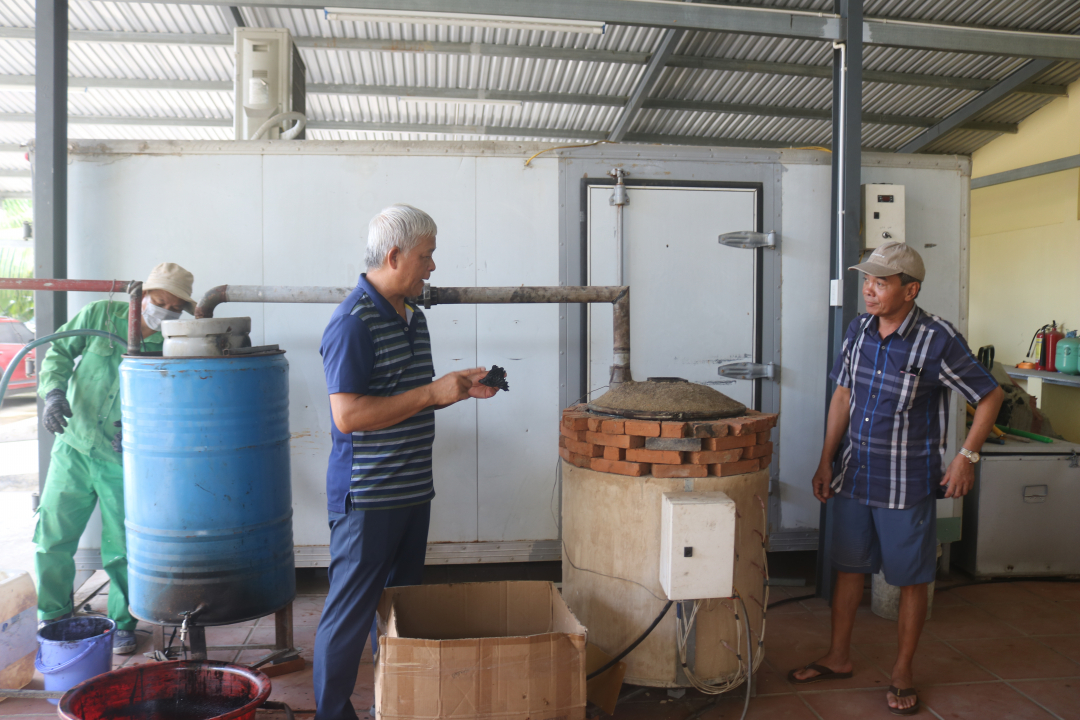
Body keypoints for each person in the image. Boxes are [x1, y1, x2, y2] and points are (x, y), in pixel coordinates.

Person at [789, 242, 1004, 715]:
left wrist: (967, 456)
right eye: (866, 279)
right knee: (847, 568)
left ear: (911, 290)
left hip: (906, 482)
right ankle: (838, 656)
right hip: (853, 474)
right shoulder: (860, 328)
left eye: (881, 282)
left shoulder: (937, 339)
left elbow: (990, 395)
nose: (868, 289)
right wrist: (826, 459)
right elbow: (843, 394)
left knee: (911, 578)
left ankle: (903, 670)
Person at [314, 205, 500, 720]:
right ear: (395, 256)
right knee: (348, 616)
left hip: (413, 492)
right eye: (427, 256)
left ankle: (391, 705)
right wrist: (432, 395)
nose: (433, 267)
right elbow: (348, 415)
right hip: (370, 499)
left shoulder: (412, 317)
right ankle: (331, 716)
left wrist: (457, 388)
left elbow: (413, 393)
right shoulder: (353, 323)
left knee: (398, 611)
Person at [34, 263, 197, 655]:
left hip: (121, 458)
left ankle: (124, 623)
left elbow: (175, 398)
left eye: (174, 307)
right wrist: (54, 393)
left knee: (123, 545)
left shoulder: (173, 342)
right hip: (73, 445)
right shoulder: (100, 315)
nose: (164, 312)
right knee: (52, 536)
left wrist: (148, 431)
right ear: (143, 295)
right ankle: (53, 615)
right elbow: (58, 350)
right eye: (159, 301)